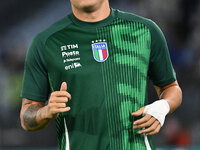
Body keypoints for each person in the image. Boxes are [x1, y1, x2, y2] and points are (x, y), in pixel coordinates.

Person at [20, 0, 182, 150]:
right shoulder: (46, 42)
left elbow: (171, 88)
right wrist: (46, 111)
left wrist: (162, 106)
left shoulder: (145, 31)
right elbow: (26, 116)